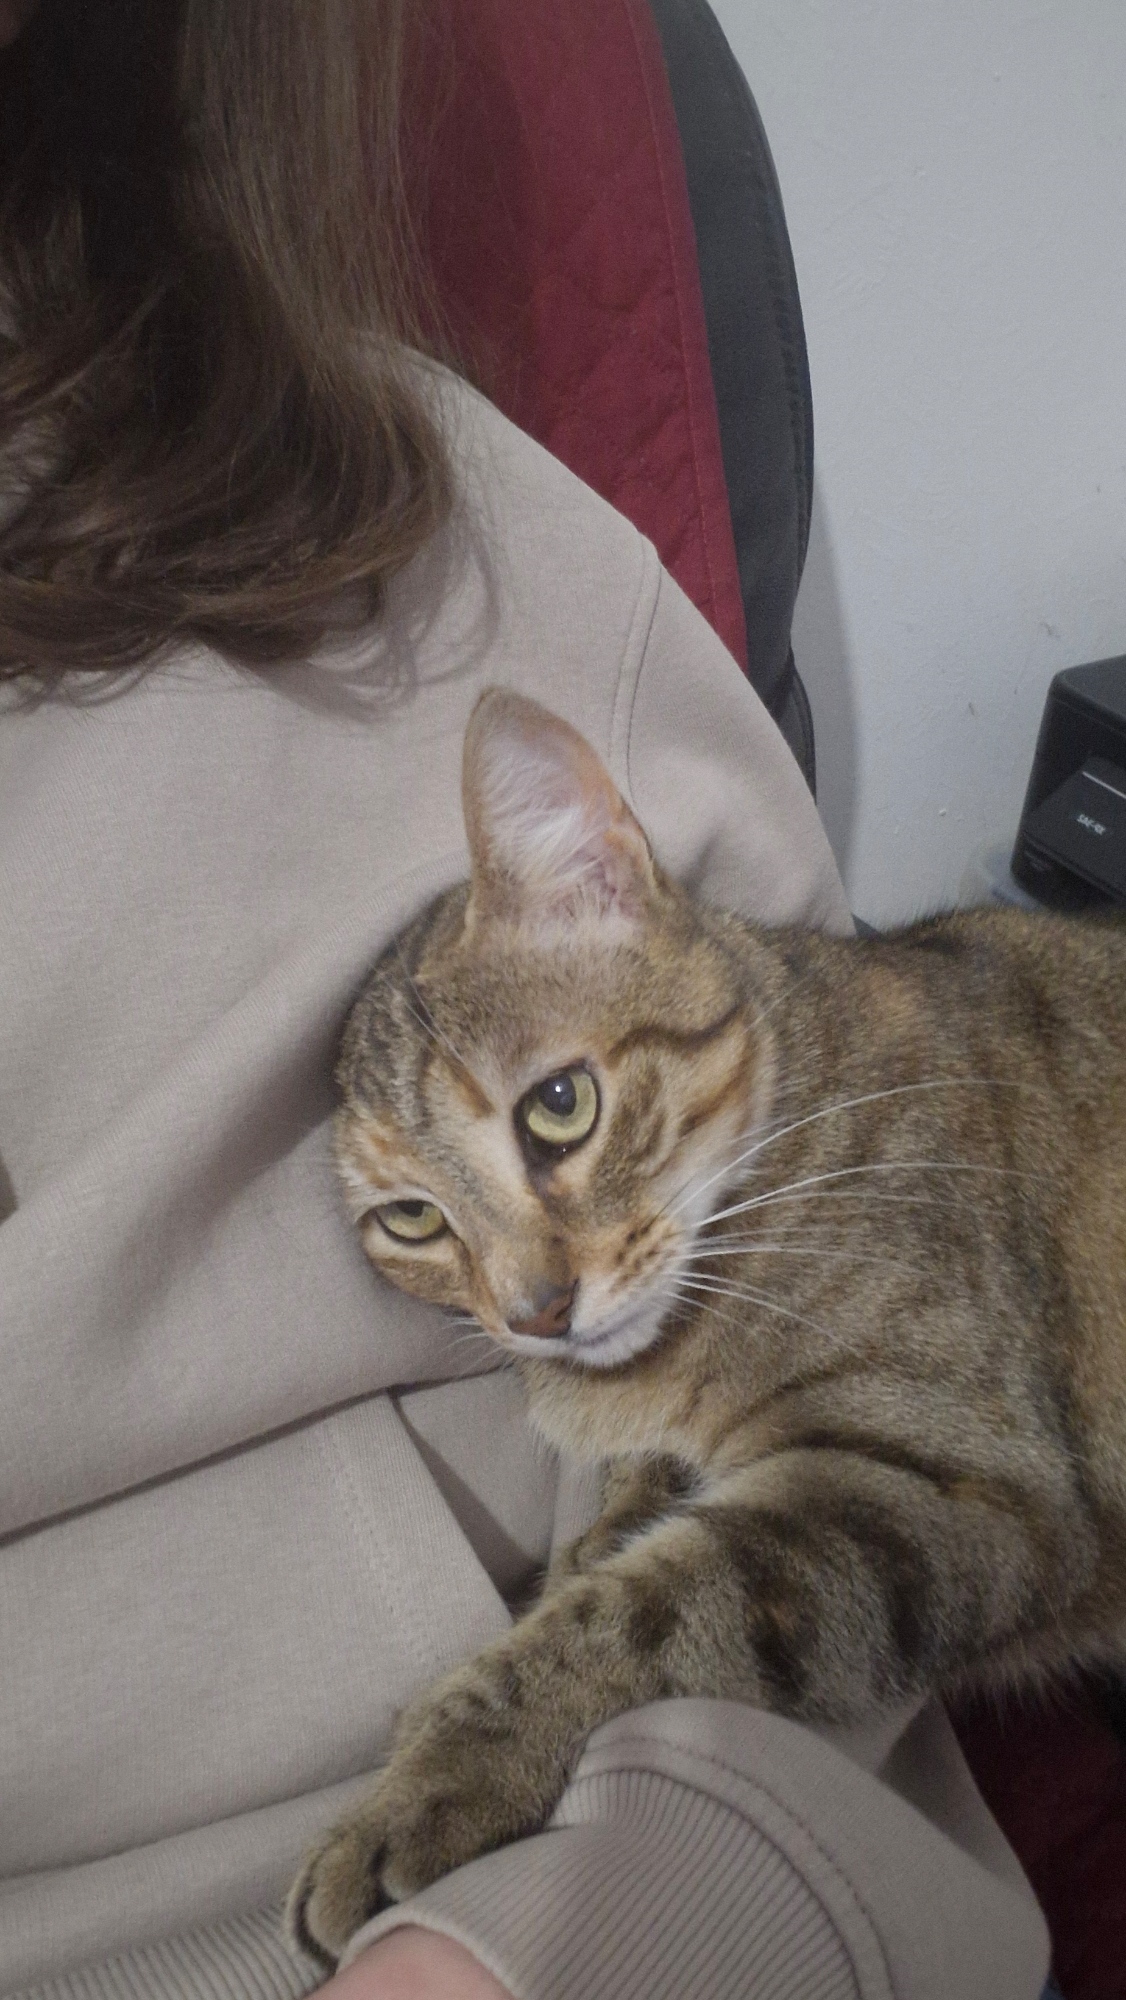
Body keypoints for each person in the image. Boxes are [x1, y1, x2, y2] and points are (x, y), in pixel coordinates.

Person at [0, 3, 1051, 1996]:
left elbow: (889, 1472)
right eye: (421, 1226)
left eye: (549, 1124)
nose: (527, 1294)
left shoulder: (412, 538)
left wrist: (529, 1924)